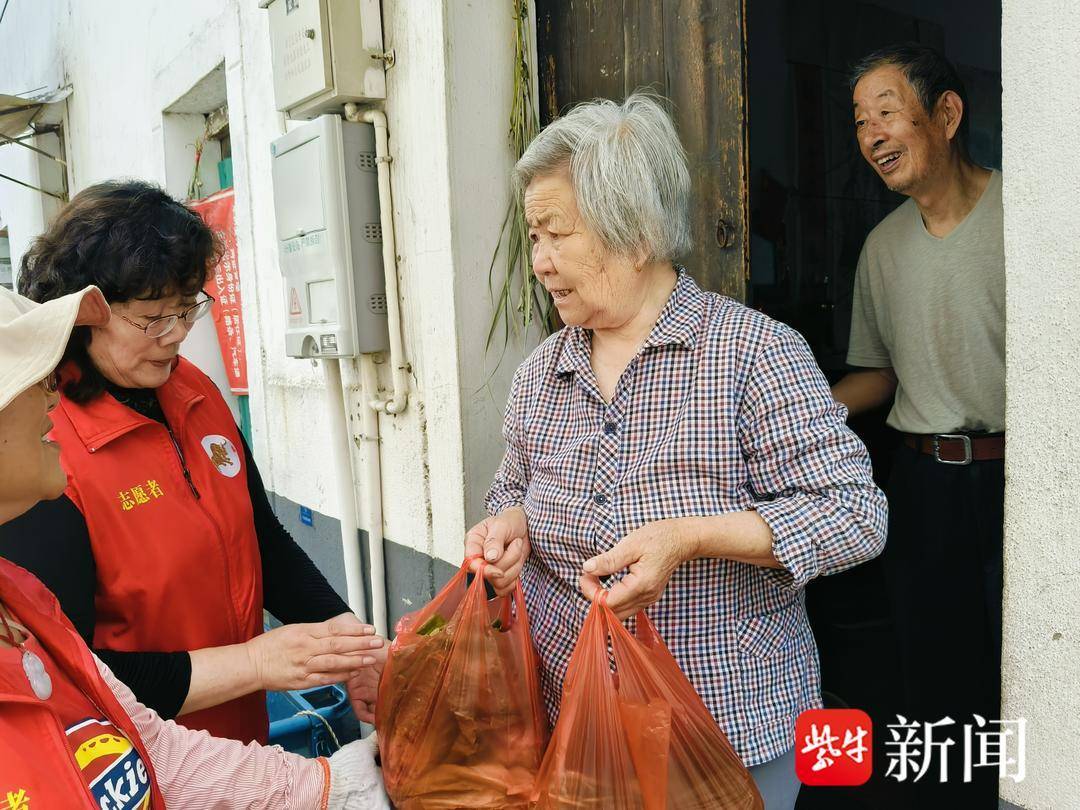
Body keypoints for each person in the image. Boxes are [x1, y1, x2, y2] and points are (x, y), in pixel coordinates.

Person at [466, 92, 888, 809]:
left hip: (728, 732)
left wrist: (691, 537)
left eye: (555, 234)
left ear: (634, 232)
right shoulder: (544, 371)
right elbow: (512, 488)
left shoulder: (754, 354)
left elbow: (854, 515)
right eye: (533, 238)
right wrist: (510, 527)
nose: (539, 262)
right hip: (579, 724)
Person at [0, 180, 382, 744]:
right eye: (152, 318)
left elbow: (263, 540)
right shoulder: (43, 449)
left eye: (187, 309)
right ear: (84, 313)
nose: (176, 335)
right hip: (139, 758)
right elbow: (73, 670)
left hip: (242, 744)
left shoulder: (194, 390)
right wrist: (252, 664)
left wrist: (347, 641)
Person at [831, 43, 1004, 806]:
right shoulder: (882, 249)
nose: (871, 134)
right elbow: (880, 372)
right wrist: (807, 410)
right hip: (925, 482)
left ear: (946, 113)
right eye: (860, 120)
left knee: (1032, 668)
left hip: (1024, 478)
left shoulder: (1027, 219)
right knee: (934, 672)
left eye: (887, 111)